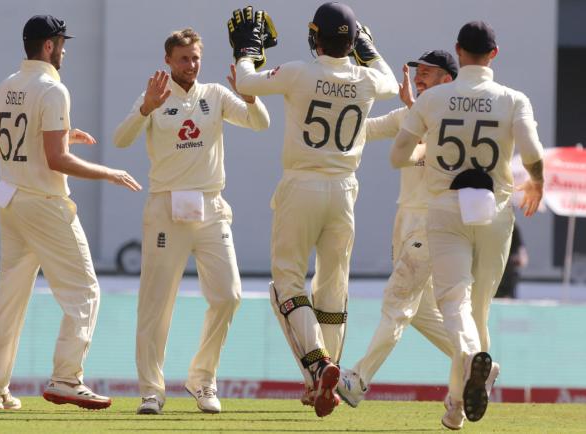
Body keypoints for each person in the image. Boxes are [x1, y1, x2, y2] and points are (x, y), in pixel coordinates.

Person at [228, 2, 398, 417]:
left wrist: (248, 47)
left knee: (287, 282)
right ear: (353, 41)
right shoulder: (368, 78)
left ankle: (320, 366)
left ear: (313, 35)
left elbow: (246, 80)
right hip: (344, 191)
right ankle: (324, 380)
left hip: (301, 184)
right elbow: (392, 81)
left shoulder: (299, 72)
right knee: (333, 287)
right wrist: (367, 47)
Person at [390, 21, 544, 430]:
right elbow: (532, 152)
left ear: (457, 52)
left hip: (445, 207)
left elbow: (399, 155)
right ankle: (455, 407)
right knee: (479, 310)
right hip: (494, 209)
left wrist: (428, 150)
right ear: (494, 54)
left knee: (454, 303)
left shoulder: (434, 98)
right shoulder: (514, 99)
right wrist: (538, 181)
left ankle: (468, 374)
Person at [0, 14, 141, 411]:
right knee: (85, 291)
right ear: (49, 46)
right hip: (45, 204)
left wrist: (59, 135)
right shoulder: (53, 90)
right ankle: (67, 379)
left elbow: (1, 147)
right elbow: (56, 161)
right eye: (61, 43)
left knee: (10, 299)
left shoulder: (7, 85)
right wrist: (108, 172)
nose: (65, 50)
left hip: (11, 200)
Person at [113, 28, 270, 415]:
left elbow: (260, 123)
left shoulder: (214, 94)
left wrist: (250, 95)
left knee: (229, 295)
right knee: (156, 303)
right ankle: (152, 390)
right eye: (183, 58)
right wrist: (146, 109)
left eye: (196, 57)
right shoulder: (155, 96)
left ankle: (203, 380)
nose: (191, 65)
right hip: (166, 209)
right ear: (168, 60)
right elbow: (120, 140)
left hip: (211, 207)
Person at [337, 50, 460, 406]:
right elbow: (361, 130)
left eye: (428, 72)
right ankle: (476, 362)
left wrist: (412, 114)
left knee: (396, 304)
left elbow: (423, 153)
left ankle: (358, 380)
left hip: (430, 223)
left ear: (447, 80)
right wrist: (345, 91)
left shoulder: (453, 116)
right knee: (420, 312)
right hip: (406, 220)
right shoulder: (412, 113)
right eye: (418, 71)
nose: (419, 77)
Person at [495, 224, 528, 298]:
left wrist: (517, 259)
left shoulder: (514, 228)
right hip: (493, 274)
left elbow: (523, 258)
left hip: (507, 276)